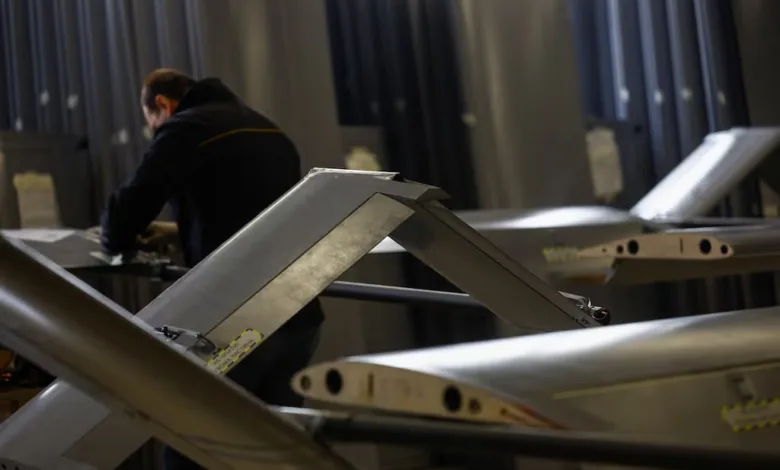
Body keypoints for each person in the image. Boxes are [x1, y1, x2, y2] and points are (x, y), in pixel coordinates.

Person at [99, 68, 325, 469]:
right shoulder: (268, 130)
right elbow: (255, 210)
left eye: (150, 121)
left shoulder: (187, 127)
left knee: (193, 441)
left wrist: (116, 241)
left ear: (163, 106)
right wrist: (177, 230)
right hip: (298, 316)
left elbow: (128, 211)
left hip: (237, 323)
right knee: (273, 447)